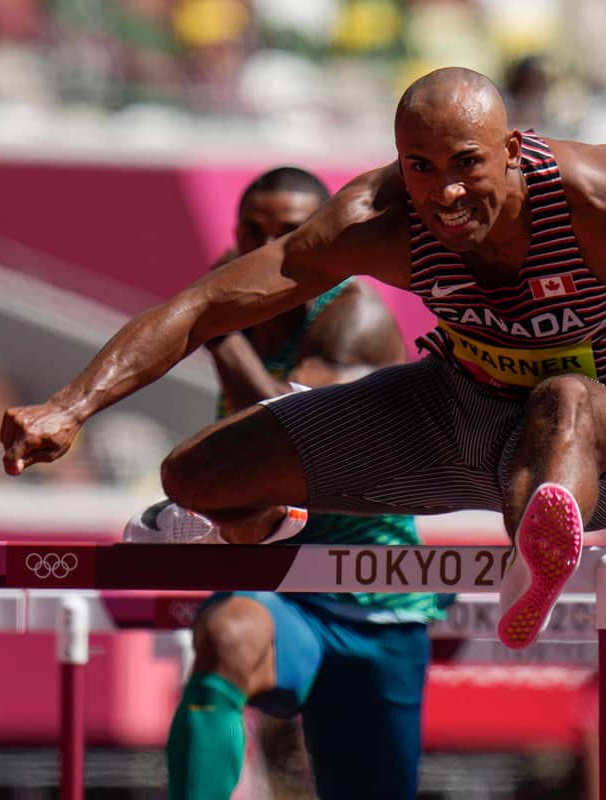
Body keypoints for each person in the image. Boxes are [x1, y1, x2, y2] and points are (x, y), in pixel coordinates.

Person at [1, 66, 606, 652]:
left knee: (563, 396)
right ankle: (278, 511)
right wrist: (70, 405)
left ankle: (537, 557)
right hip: (452, 409)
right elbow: (203, 305)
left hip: (594, 443)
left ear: (513, 150)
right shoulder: (376, 222)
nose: (446, 194)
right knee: (194, 476)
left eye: (467, 165)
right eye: (420, 167)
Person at [123, 166, 446, 799]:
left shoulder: (358, 319)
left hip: (371, 599)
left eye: (290, 233)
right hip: (282, 590)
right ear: (235, 234)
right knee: (224, 637)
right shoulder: (241, 319)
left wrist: (213, 327)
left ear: (322, 237)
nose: (269, 248)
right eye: (255, 231)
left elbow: (295, 436)